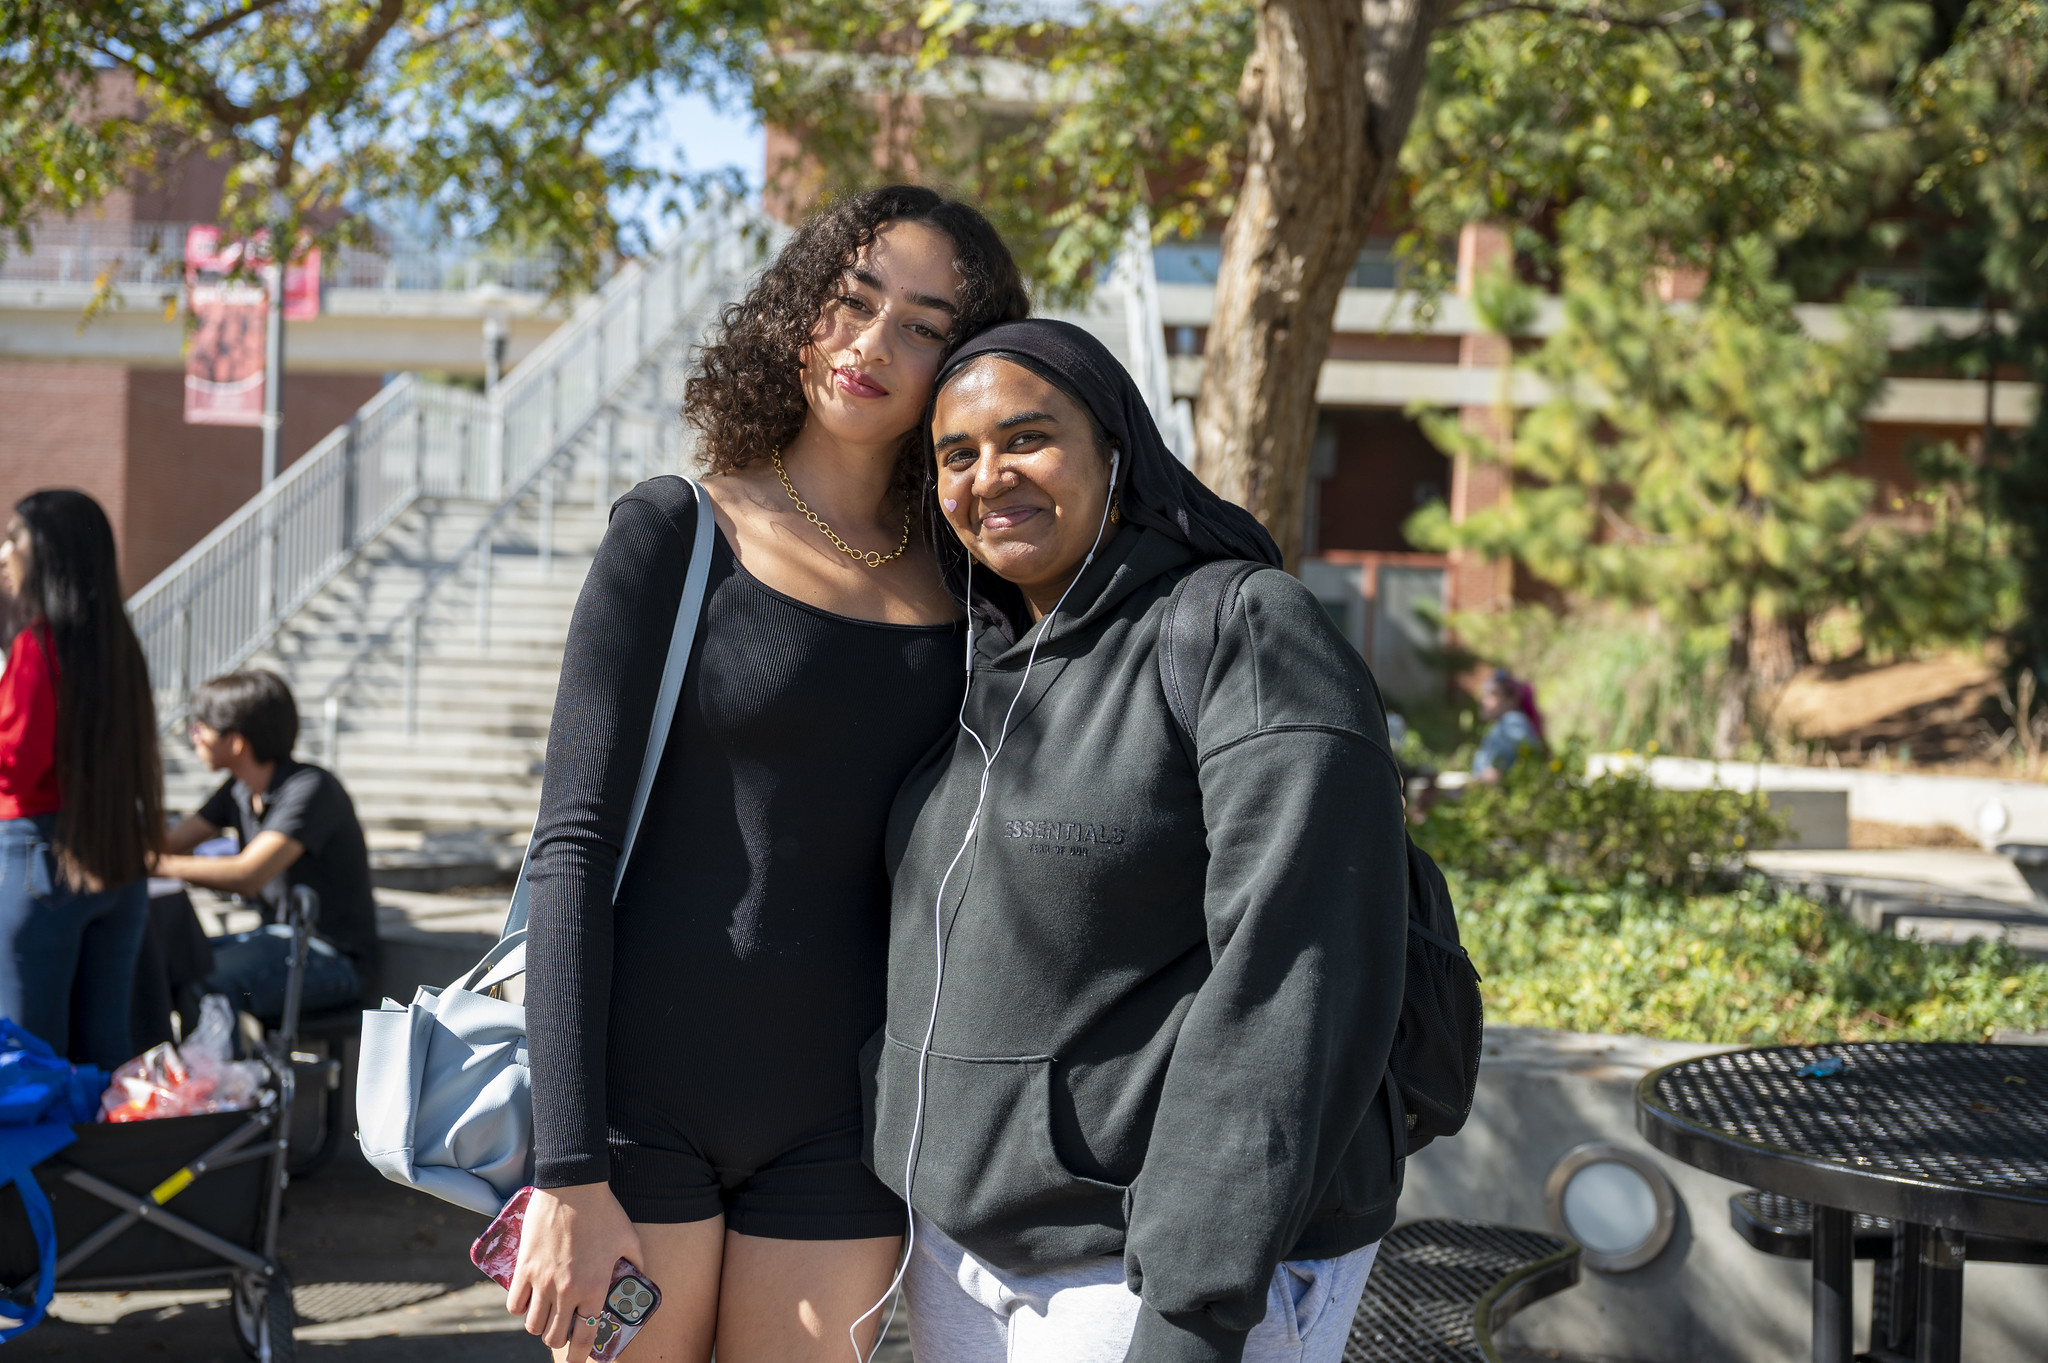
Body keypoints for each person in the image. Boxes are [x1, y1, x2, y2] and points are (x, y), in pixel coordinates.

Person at [513, 185, 1029, 1363]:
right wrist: (566, 1168)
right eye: (853, 301)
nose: (871, 344)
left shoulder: (975, 590)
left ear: (959, 366)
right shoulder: (678, 533)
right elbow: (570, 849)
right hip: (635, 1113)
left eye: (922, 327)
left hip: (845, 1128)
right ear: (797, 314)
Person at [869, 318, 1410, 1363]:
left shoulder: (1245, 633)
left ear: (1116, 451)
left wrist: (1192, 1306)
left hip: (1145, 1271)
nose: (989, 475)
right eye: (956, 454)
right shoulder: (977, 669)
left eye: (1028, 438)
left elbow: (1295, 982)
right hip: (962, 1253)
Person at [0, 490, 162, 1069]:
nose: (4, 553)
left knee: (28, 1059)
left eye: (13, 538)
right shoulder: (121, 649)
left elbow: (13, 764)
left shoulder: (37, 647)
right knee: (105, 1058)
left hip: (36, 858)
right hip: (114, 856)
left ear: (48, 551)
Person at [153, 670, 379, 1016]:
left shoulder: (311, 788)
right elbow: (171, 842)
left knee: (204, 983)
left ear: (236, 742)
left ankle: (217, 1055)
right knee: (167, 965)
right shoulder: (239, 789)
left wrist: (150, 864)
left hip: (330, 955)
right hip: (276, 939)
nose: (192, 737)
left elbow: (248, 874)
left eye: (199, 728)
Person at [1470, 666, 1544, 783]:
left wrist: (1491, 775)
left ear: (1511, 701)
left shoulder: (1513, 721)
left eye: (1492, 694)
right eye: (1483, 695)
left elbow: (1524, 762)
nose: (1483, 701)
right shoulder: (1500, 725)